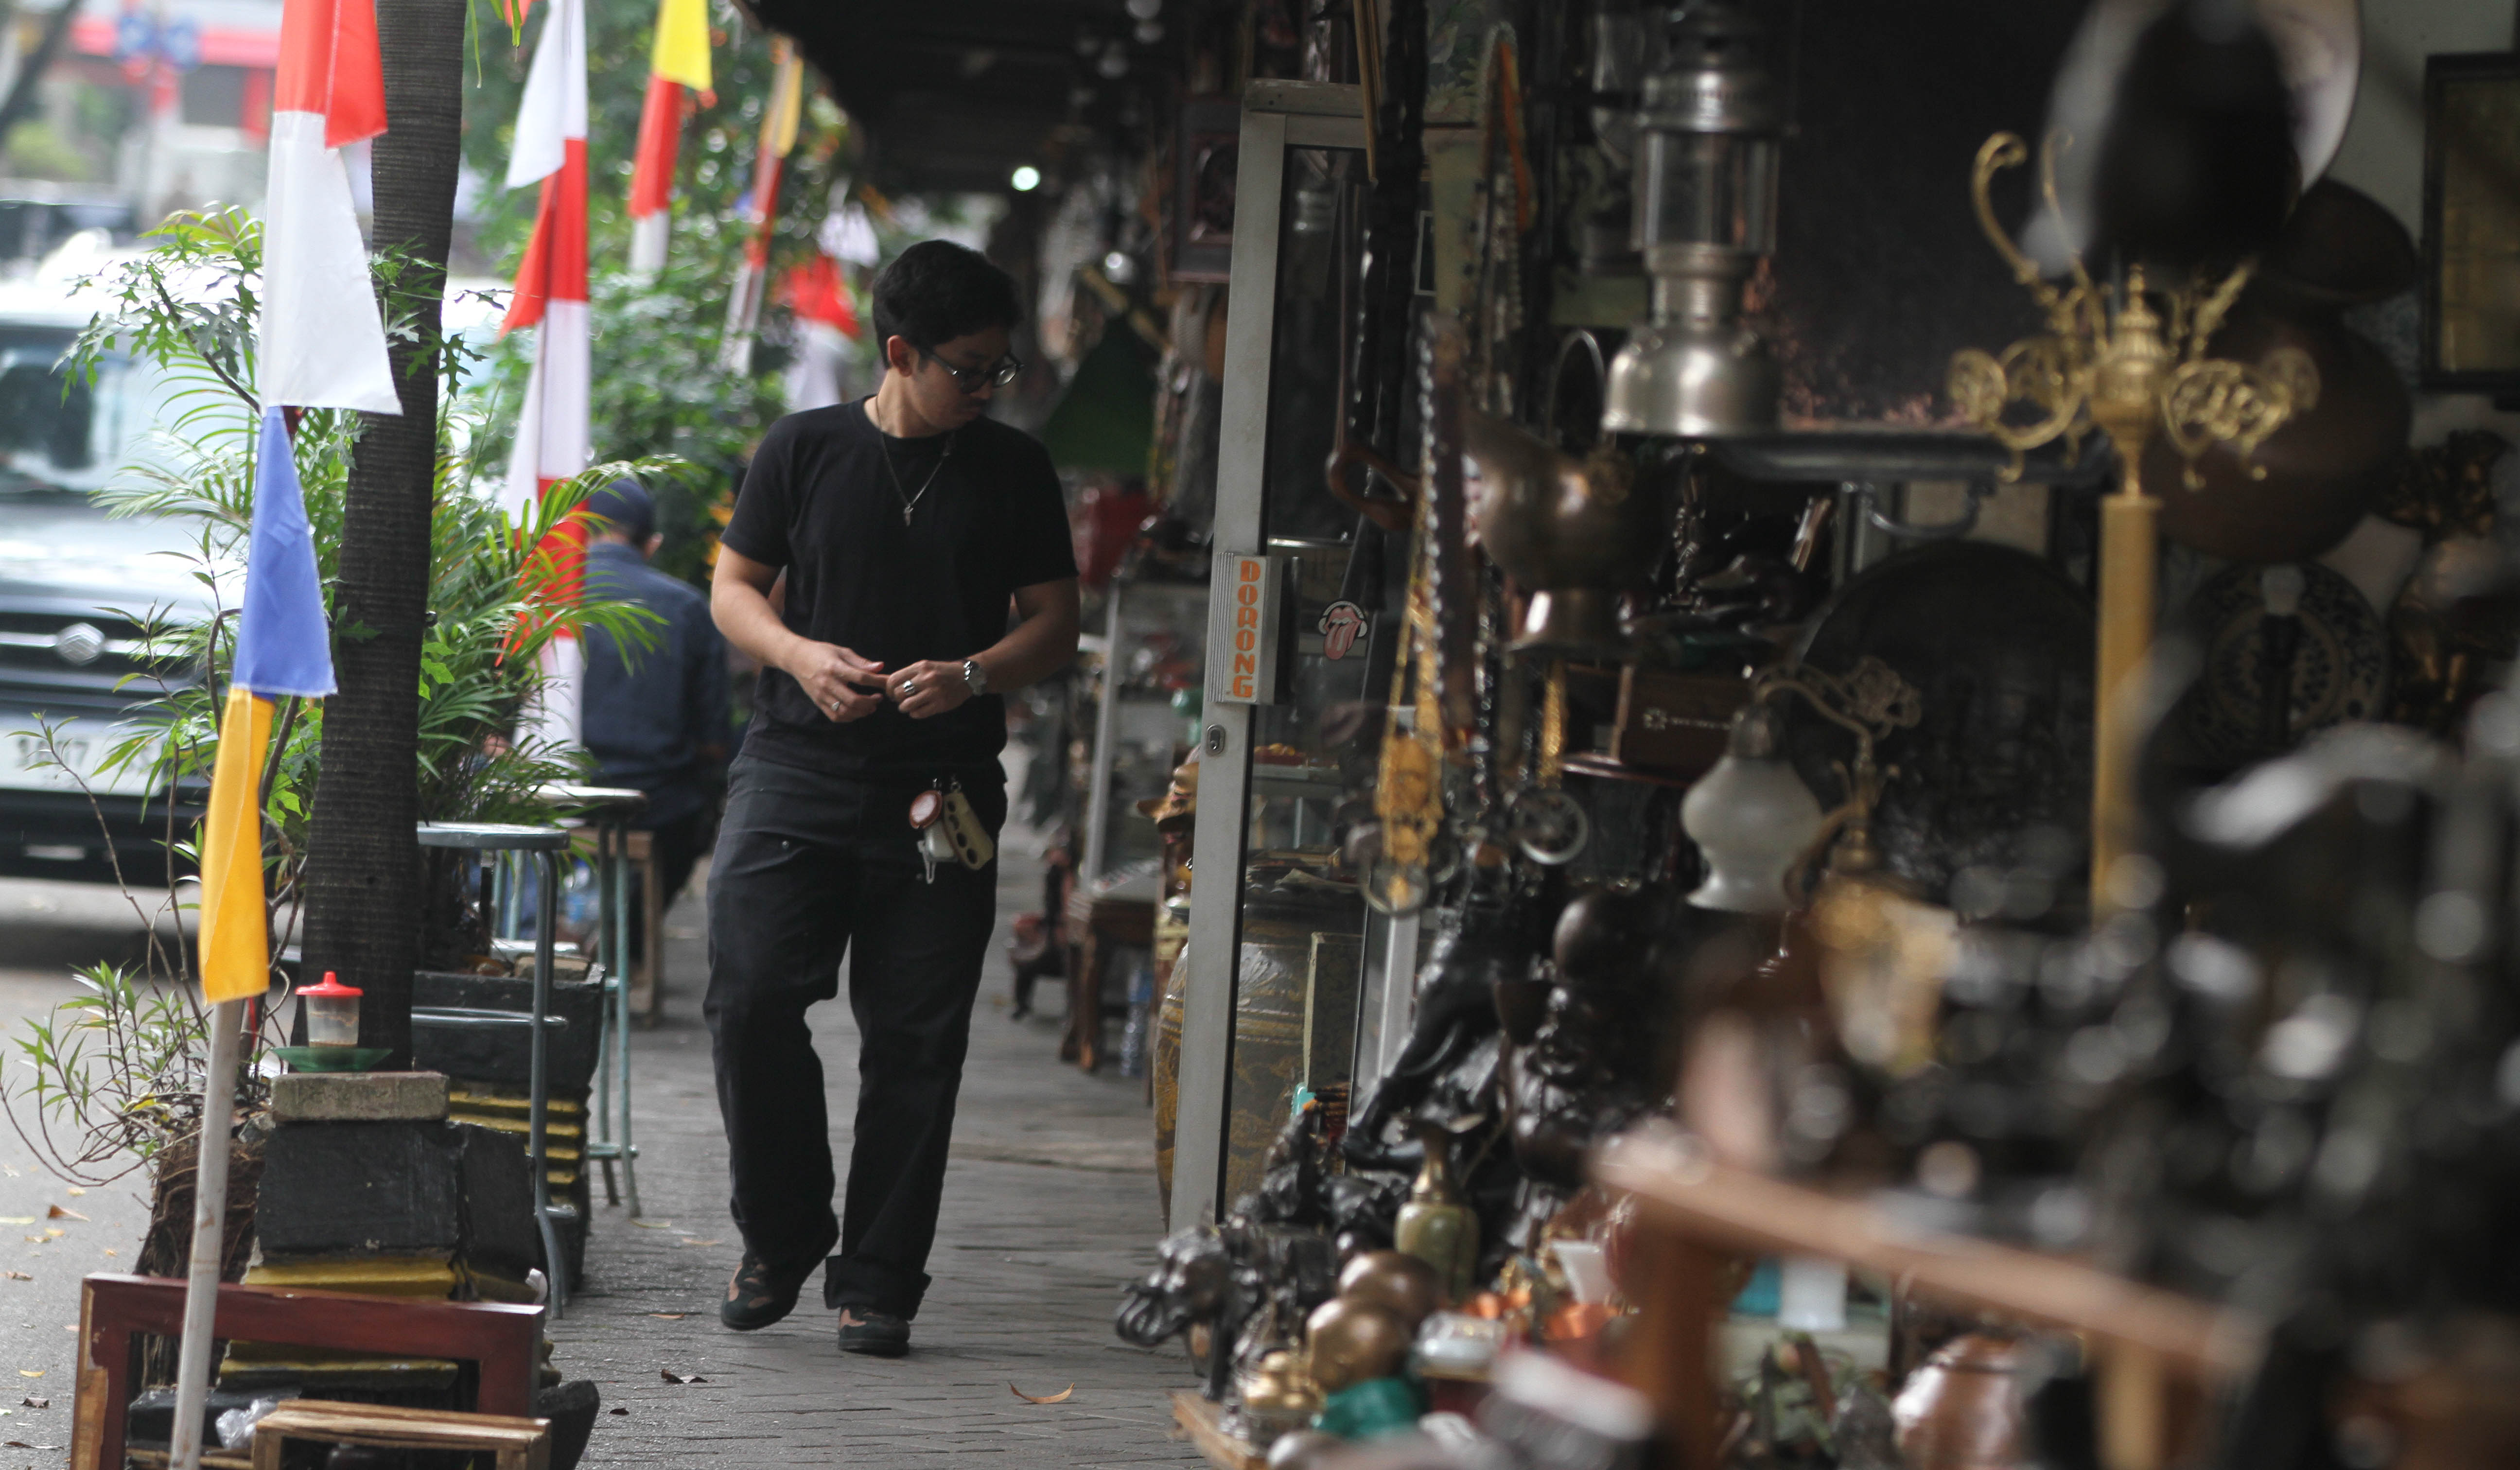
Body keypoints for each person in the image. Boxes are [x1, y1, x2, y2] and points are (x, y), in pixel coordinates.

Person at [705, 239, 1082, 1358]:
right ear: (899, 353)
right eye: (967, 368)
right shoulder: (804, 448)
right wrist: (797, 653)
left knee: (917, 1042)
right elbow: (732, 589)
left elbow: (1052, 625)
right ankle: (781, 1232)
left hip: (944, 789)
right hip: (794, 769)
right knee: (752, 998)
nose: (984, 389)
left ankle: (878, 1279)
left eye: (997, 370)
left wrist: (973, 673)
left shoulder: (1014, 470)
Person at [577, 478, 730, 949]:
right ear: (652, 544)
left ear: (581, 533)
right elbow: (714, 739)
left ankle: (544, 934)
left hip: (556, 793)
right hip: (654, 801)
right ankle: (628, 944)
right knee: (695, 815)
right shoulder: (686, 607)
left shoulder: (540, 597)